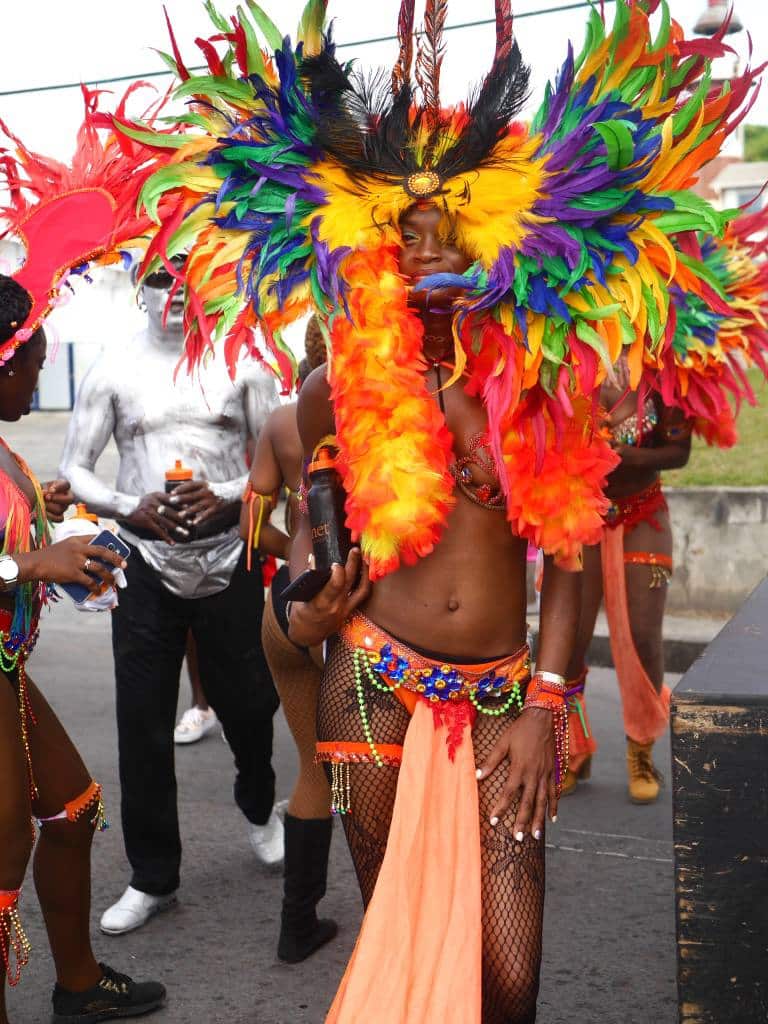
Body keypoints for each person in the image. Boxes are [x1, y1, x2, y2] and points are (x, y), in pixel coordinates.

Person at [123, 1, 762, 1018]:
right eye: (401, 227)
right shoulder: (341, 383)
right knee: (407, 942)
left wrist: (551, 702)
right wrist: (306, 613)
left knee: (508, 976)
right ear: (374, 241)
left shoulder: (537, 375)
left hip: (511, 689)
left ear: (489, 226)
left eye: (444, 222)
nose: (424, 243)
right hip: (372, 680)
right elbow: (308, 540)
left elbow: (569, 549)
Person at [59, 257, 282, 937]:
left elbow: (275, 457)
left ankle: (258, 803)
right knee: (143, 723)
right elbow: (74, 466)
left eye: (190, 275)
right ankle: (151, 876)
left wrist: (230, 501)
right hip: (146, 567)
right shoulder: (112, 368)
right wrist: (130, 506)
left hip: (227, 558)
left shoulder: (246, 357)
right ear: (139, 286)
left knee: (249, 704)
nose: (176, 292)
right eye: (161, 277)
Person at [0, 274, 166, 1024]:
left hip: (8, 669)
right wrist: (31, 565)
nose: (41, 376)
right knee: (2, 854)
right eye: (33, 363)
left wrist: (44, 513)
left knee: (71, 810)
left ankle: (78, 984)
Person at [240, 316, 335, 963]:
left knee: (315, 769)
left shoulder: (279, 420)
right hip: (342, 609)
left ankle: (297, 925)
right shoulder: (376, 410)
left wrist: (293, 542)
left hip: (282, 607)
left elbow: (252, 528)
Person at [562, 360, 692, 803]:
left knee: (643, 635)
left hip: (643, 513)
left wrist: (620, 456)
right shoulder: (562, 360)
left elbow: (680, 452)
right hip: (583, 515)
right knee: (570, 639)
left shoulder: (662, 376)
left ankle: (642, 748)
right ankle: (574, 749)